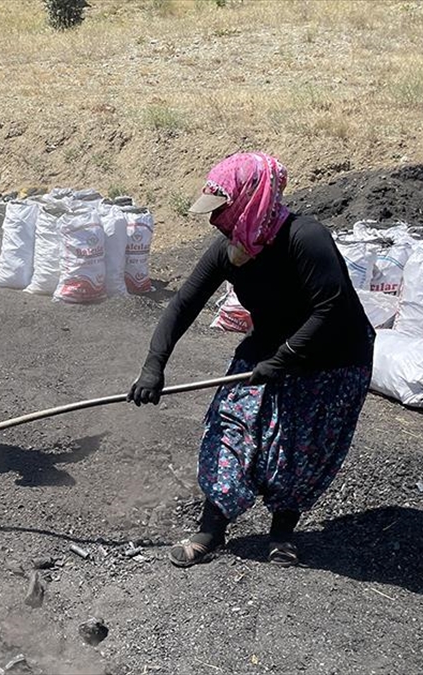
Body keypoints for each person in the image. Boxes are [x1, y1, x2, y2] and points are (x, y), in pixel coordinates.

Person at [127, 151, 374, 568]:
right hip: (269, 347)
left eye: (221, 209)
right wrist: (154, 365)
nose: (214, 220)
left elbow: (330, 308)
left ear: (250, 198)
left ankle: (282, 533)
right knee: (230, 428)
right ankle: (211, 530)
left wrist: (285, 358)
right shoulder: (230, 250)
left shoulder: (304, 238)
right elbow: (183, 304)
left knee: (299, 447)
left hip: (333, 358)